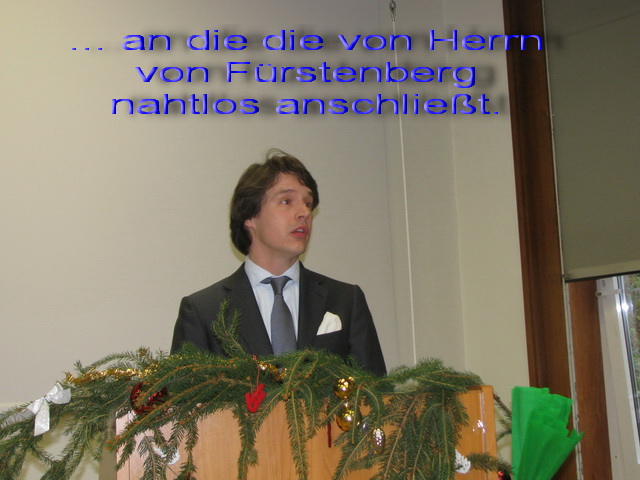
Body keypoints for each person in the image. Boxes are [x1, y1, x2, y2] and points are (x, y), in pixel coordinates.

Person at [170, 149, 386, 375]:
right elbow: (186, 394)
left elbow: (374, 391)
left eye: (308, 203)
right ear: (250, 216)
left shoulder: (345, 301)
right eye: (286, 201)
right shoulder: (204, 311)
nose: (304, 213)